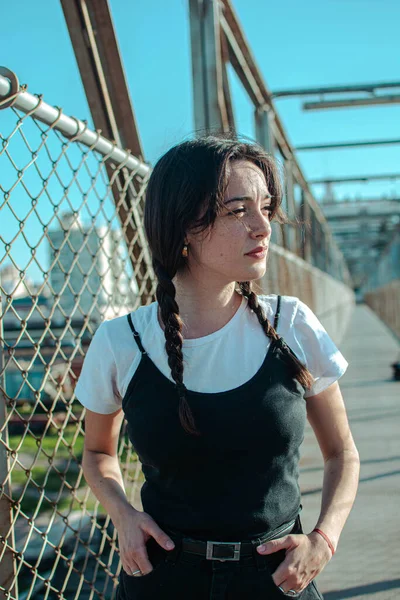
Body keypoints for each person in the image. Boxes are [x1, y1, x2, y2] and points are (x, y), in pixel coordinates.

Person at [75, 135, 360, 599]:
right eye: (237, 211)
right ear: (185, 225)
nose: (263, 227)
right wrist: (124, 515)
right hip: (161, 580)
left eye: (266, 208)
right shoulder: (119, 341)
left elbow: (342, 453)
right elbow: (97, 453)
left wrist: (323, 541)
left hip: (277, 582)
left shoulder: (293, 324)